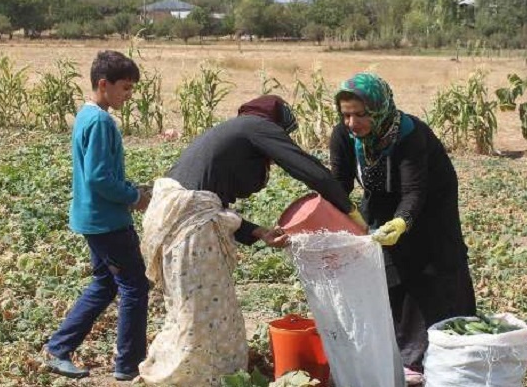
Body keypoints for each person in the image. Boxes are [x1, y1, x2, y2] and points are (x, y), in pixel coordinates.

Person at [138, 95, 365, 386]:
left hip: (180, 223)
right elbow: (306, 167)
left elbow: (211, 205)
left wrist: (258, 232)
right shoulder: (257, 126)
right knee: (201, 315)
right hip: (189, 230)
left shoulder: (237, 132)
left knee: (197, 308)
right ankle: (190, 378)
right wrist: (348, 209)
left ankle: (208, 375)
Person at [329, 73, 476, 385]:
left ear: (378, 109)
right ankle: (399, 349)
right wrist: (344, 212)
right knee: (386, 267)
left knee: (430, 262)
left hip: (430, 198)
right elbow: (339, 182)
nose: (352, 123)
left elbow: (414, 192)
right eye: (346, 115)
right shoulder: (343, 135)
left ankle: (431, 352)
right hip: (380, 195)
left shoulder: (409, 134)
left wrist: (401, 221)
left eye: (360, 114)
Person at [44, 50, 151, 381]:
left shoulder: (86, 116)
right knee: (135, 286)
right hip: (108, 223)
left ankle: (59, 348)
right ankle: (129, 364)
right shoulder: (102, 122)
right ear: (104, 84)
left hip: (92, 218)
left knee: (105, 284)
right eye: (125, 88)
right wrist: (134, 197)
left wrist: (131, 186)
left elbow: (101, 173)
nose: (128, 95)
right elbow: (99, 178)